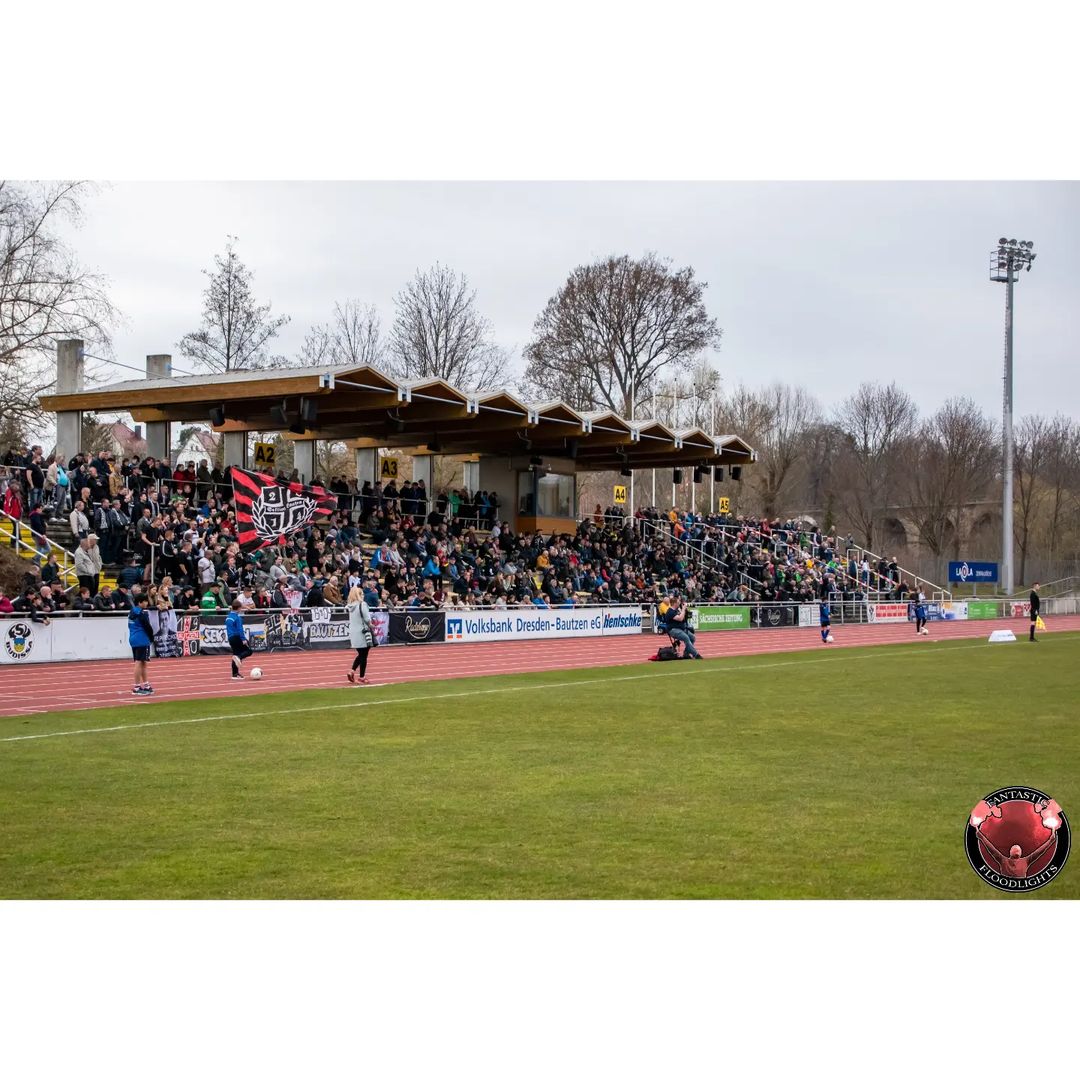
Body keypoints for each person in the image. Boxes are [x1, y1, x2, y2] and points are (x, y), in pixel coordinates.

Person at [345, 585, 376, 684]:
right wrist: (371, 625)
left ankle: (352, 671)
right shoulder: (362, 604)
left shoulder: (350, 606)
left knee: (361, 654)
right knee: (364, 655)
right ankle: (361, 676)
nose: (363, 596)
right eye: (362, 594)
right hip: (363, 632)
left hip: (354, 632)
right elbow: (367, 619)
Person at [127, 585, 155, 696]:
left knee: (142, 662)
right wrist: (152, 638)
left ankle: (146, 684)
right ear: (140, 602)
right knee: (139, 662)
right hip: (142, 639)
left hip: (134, 638)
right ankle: (137, 687)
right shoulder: (142, 614)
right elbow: (148, 627)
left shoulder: (132, 612)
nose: (146, 604)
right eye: (145, 602)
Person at [226, 598, 253, 680]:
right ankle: (239, 657)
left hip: (230, 638)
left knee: (235, 654)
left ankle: (235, 674)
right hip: (237, 637)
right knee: (249, 651)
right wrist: (243, 639)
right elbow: (240, 629)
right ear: (238, 608)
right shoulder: (237, 618)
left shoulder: (229, 617)